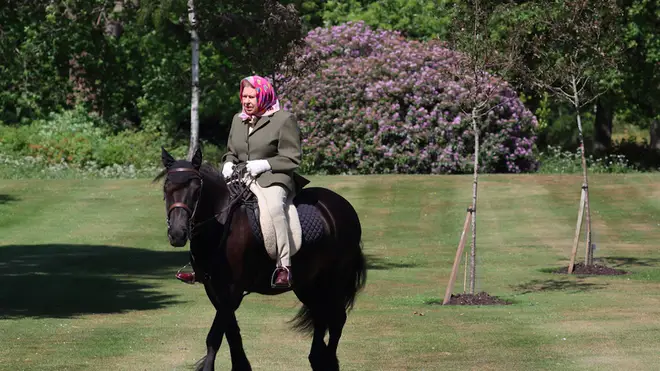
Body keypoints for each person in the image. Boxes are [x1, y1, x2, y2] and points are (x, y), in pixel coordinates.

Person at [176, 75, 307, 288]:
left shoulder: (284, 120)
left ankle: (284, 267)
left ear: (263, 96)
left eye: (252, 97)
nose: (246, 101)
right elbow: (231, 152)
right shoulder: (238, 119)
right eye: (244, 96)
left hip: (272, 178)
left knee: (274, 208)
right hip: (240, 177)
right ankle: (199, 266)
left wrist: (265, 164)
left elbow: (292, 158)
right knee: (206, 204)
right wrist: (227, 163)